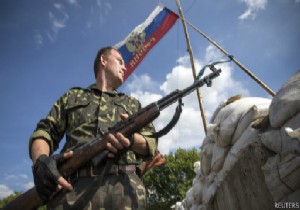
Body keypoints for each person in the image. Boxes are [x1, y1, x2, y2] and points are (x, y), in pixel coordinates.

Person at [29, 46, 157, 209]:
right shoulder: (73, 96)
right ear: (103, 60)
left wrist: (130, 139)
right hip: (72, 193)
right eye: (119, 61)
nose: (124, 67)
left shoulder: (132, 103)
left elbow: (150, 143)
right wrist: (40, 162)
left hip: (126, 191)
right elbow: (45, 130)